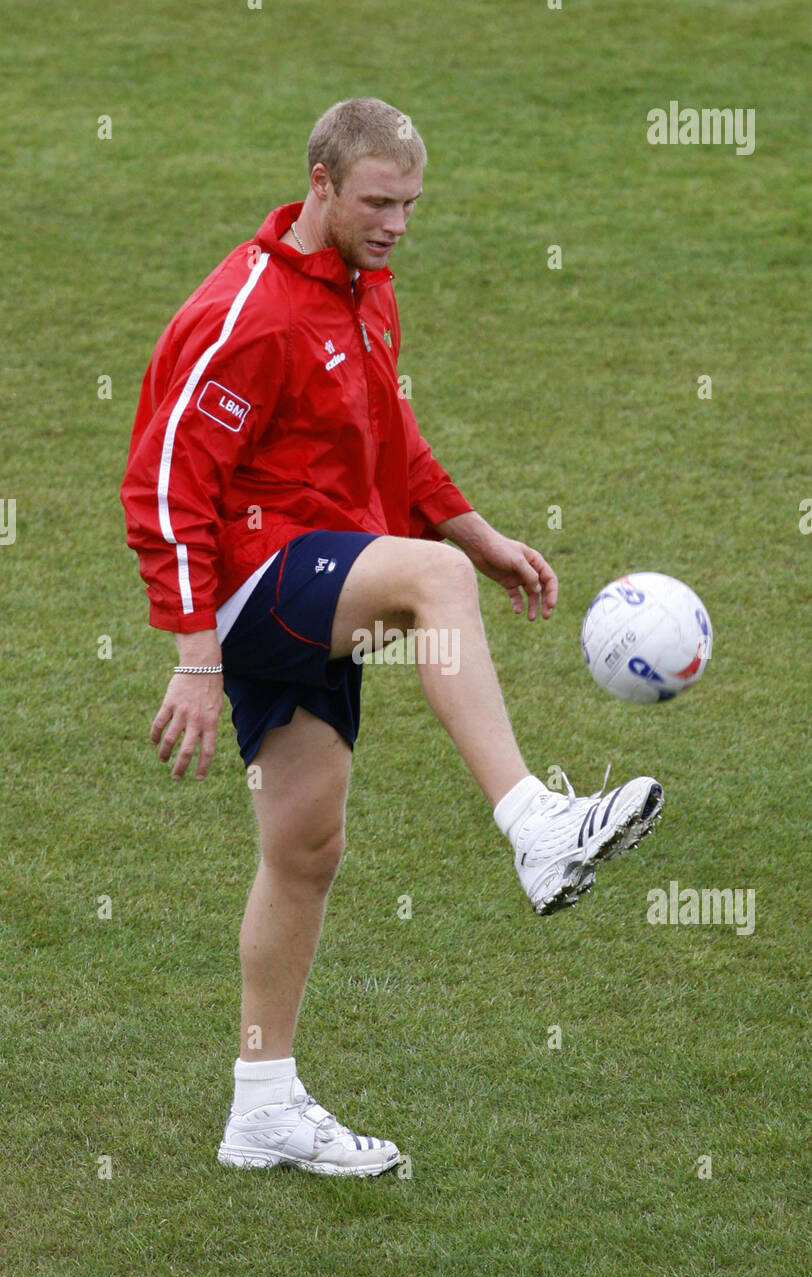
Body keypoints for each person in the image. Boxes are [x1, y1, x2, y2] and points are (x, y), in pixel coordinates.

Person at [121, 98, 663, 1179]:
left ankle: (260, 1107)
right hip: (260, 580)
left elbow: (388, 438)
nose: (397, 223)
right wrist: (191, 654)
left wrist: (482, 533)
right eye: (378, 201)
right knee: (430, 579)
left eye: (410, 204)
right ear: (318, 182)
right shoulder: (255, 311)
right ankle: (533, 822)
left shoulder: (364, 296)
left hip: (319, 579)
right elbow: (164, 479)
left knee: (304, 850)